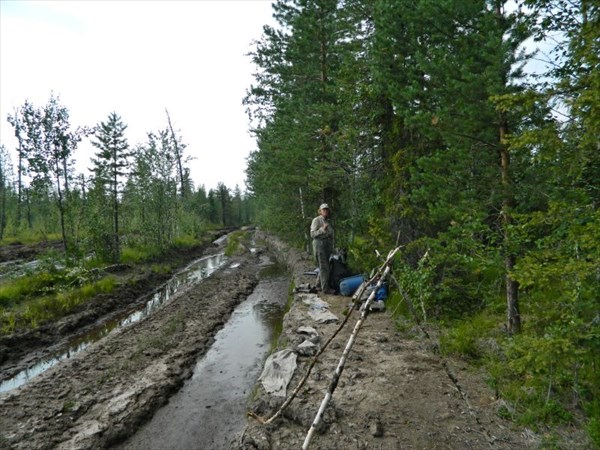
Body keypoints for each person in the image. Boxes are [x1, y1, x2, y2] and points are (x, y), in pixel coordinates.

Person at [310, 203, 334, 294]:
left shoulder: (327, 221)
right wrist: (322, 230)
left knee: (323, 266)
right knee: (324, 267)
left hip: (326, 245)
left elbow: (330, 234)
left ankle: (319, 285)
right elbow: (312, 234)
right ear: (320, 211)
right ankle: (326, 289)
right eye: (324, 209)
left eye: (327, 209)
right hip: (319, 244)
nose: (326, 211)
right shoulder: (316, 220)